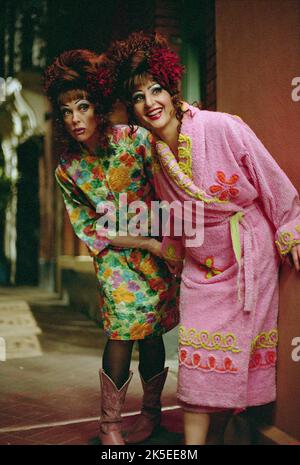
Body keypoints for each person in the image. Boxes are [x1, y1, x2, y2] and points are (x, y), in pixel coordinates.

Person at [107, 31, 300, 445]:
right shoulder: (159, 161)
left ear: (172, 91)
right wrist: (150, 245)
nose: (150, 103)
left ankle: (234, 425)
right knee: (195, 366)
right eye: (138, 97)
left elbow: (271, 180)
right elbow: (180, 224)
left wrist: (290, 228)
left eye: (155, 89)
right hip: (201, 266)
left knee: (240, 354)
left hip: (248, 254)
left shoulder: (222, 127)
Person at [43, 49, 179, 445]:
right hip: (117, 260)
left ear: (97, 107)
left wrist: (168, 243)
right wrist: (145, 242)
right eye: (66, 111)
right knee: (121, 333)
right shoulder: (68, 168)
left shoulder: (136, 140)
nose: (74, 119)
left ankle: (151, 416)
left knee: (152, 334)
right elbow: (93, 229)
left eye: (82, 106)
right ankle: (110, 428)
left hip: (159, 255)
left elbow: (168, 190)